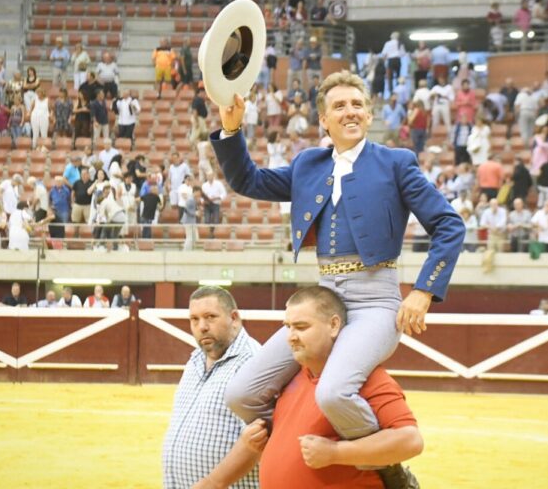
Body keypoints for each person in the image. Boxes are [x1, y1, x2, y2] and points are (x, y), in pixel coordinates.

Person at [211, 70, 463, 483]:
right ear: (324, 120)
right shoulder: (308, 164)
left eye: (357, 105)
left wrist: (423, 291)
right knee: (241, 394)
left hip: (375, 301)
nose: (350, 112)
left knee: (332, 392)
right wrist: (232, 128)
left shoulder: (396, 163)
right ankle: (299, 443)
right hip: (324, 299)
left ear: (369, 115)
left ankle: (388, 469)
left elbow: (449, 225)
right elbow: (247, 180)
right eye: (340, 106)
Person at [197, 286, 423, 489]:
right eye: (288, 327)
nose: (291, 338)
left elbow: (410, 441)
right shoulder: (289, 378)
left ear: (334, 325)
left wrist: (335, 453)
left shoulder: (367, 379)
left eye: (301, 327)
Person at [163, 286, 260, 489]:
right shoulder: (195, 360)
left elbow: (258, 440)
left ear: (234, 318)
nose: (202, 327)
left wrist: (213, 483)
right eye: (194, 319)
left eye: (210, 317)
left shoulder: (253, 363)